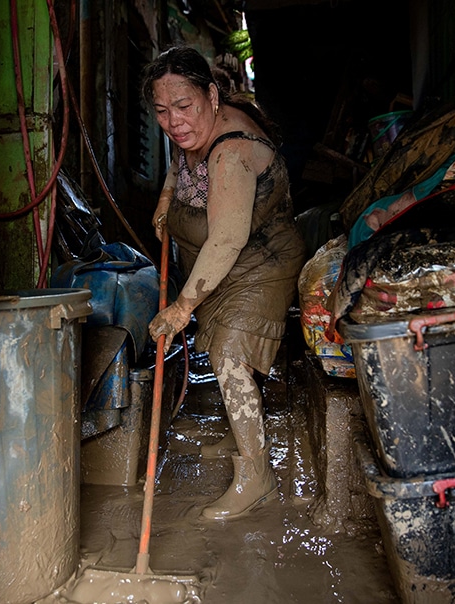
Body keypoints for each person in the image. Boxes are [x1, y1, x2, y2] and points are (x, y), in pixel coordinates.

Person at [141, 46, 306, 521]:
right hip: (223, 261)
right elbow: (178, 160)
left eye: (184, 107)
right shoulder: (193, 126)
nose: (173, 122)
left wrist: (181, 306)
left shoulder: (231, 151)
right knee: (220, 348)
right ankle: (242, 433)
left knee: (231, 353)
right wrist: (166, 199)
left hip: (258, 261)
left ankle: (257, 476)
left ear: (212, 96)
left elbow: (229, 237)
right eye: (161, 111)